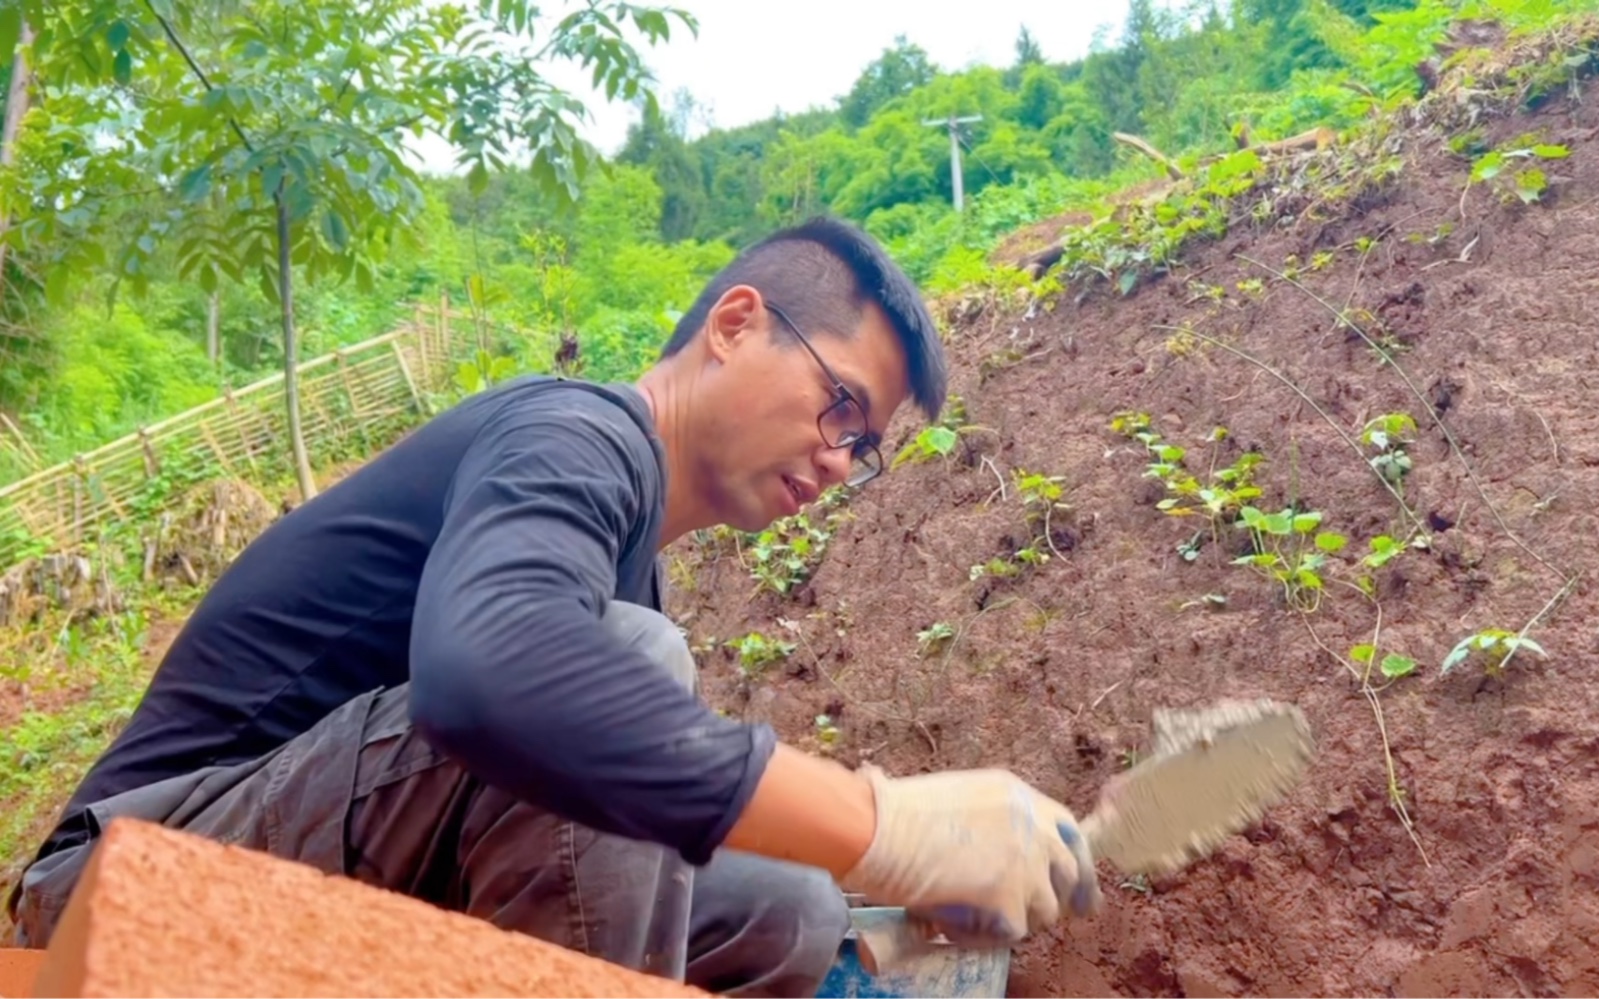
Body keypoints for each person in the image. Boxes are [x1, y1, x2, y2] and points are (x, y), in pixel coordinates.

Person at [6, 215, 1100, 996]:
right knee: (619, 667)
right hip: (126, 879)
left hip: (333, 859)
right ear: (733, 325)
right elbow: (496, 674)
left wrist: (885, 886)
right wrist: (886, 828)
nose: (838, 456)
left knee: (791, 912)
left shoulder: (624, 551)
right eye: (839, 404)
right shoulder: (570, 435)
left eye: (862, 446)